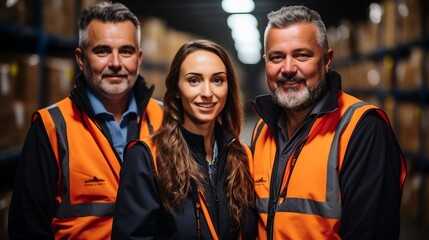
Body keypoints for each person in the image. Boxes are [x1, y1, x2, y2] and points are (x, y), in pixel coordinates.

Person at [250, 5, 407, 239]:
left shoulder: (362, 129)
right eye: (277, 57)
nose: (288, 68)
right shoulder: (262, 130)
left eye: (302, 55)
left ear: (326, 60)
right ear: (266, 64)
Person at [8, 2, 163, 239]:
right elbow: (27, 227)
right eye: (102, 51)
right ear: (81, 59)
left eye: (126, 51)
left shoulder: (167, 120)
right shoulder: (52, 126)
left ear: (139, 58)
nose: (115, 63)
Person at [111, 39, 257, 239]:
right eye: (194, 80)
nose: (207, 93)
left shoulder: (243, 157)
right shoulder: (147, 158)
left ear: (228, 88)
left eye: (217, 80)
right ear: (177, 90)